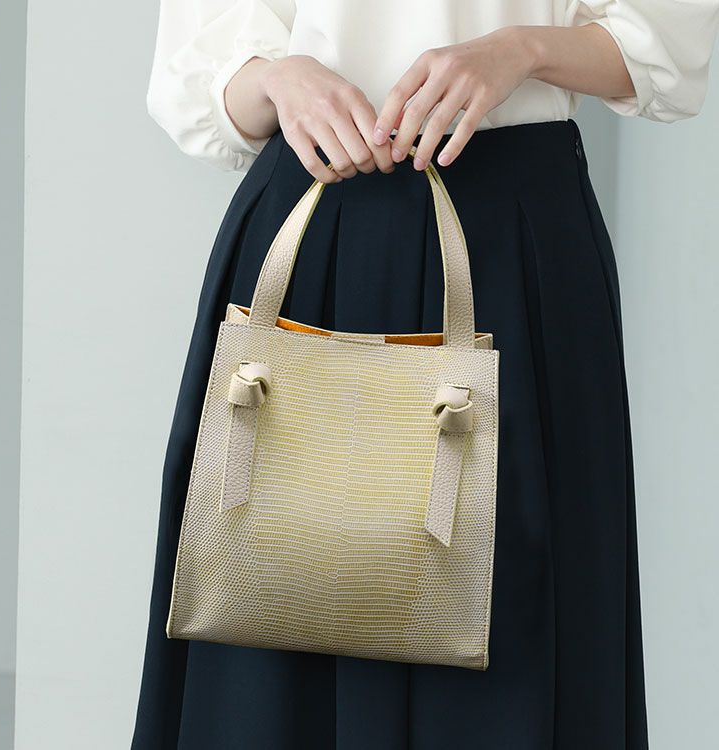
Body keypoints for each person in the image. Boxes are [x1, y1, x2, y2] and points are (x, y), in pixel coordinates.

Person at [131, 2, 719, 748]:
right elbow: (197, 73)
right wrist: (280, 79)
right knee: (267, 597)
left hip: (512, 240)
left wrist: (520, 50)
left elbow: (665, 44)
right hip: (316, 233)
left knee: (515, 607)